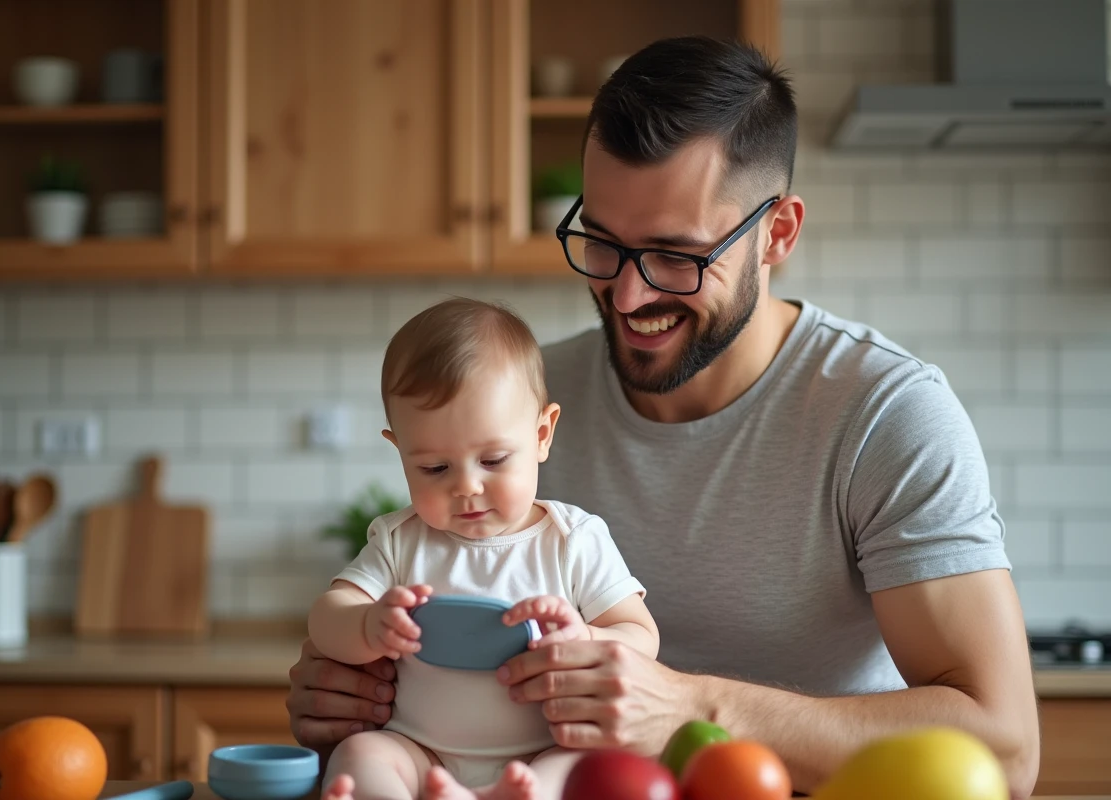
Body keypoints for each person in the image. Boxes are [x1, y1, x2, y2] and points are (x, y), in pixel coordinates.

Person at [288, 36, 1041, 799]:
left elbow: (1006, 752)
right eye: (603, 245)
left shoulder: (885, 414)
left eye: (675, 256)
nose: (626, 297)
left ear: (776, 233)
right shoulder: (510, 416)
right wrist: (350, 688)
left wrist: (691, 709)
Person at [307, 297, 660, 800]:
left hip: (543, 749)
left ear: (541, 434)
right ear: (400, 451)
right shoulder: (399, 539)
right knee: (360, 756)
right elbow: (326, 617)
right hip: (419, 752)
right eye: (434, 469)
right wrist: (366, 624)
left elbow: (642, 637)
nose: (467, 487)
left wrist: (583, 637)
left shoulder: (573, 538)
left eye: (493, 460)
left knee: (583, 762)